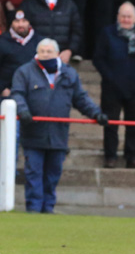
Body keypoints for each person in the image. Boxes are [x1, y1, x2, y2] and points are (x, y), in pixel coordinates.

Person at [11, 38, 108, 213]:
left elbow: (81, 99)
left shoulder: (69, 73)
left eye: (49, 52)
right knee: (33, 173)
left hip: (58, 135)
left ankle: (48, 208)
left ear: (57, 53)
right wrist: (23, 111)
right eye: (42, 51)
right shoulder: (24, 72)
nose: (45, 55)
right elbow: (17, 94)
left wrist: (96, 113)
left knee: (53, 174)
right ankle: (33, 209)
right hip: (33, 133)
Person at [93, 2, 135, 169]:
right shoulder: (107, 33)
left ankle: (132, 156)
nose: (126, 19)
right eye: (123, 16)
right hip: (111, 88)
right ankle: (110, 156)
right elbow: (98, 58)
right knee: (110, 123)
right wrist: (110, 77)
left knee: (134, 124)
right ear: (118, 17)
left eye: (129, 16)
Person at [21, 0, 83, 64]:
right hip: (35, 58)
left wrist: (70, 50)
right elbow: (22, 32)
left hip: (62, 57)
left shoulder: (69, 4)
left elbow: (77, 30)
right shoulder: (29, 4)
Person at [0, 10, 38, 97]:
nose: (20, 25)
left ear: (29, 23)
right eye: (17, 21)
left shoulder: (40, 42)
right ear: (11, 23)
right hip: (8, 93)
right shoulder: (2, 41)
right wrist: (2, 89)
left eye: (24, 21)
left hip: (34, 92)